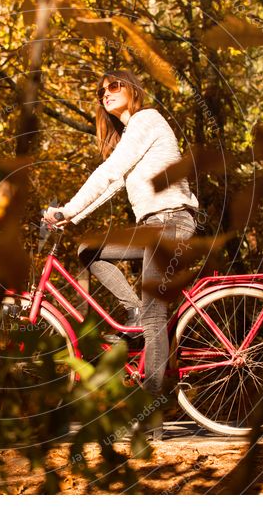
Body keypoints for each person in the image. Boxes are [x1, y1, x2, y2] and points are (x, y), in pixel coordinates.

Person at [44, 69, 198, 440]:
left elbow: (110, 172)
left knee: (154, 316)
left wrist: (67, 208)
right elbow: (114, 185)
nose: (106, 93)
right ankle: (133, 312)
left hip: (171, 223)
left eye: (114, 86)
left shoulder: (147, 119)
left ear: (133, 89)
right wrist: (70, 216)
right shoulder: (131, 135)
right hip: (154, 226)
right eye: (101, 92)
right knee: (89, 249)